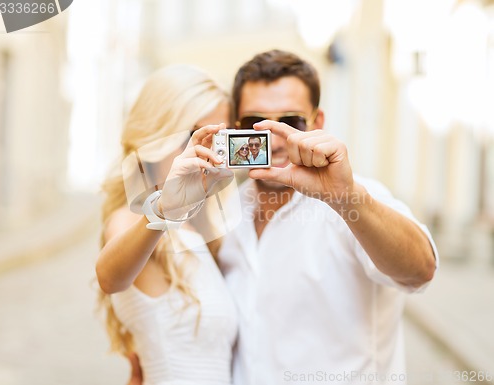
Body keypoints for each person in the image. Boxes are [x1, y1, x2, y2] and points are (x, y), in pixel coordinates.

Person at [126, 50, 438, 385]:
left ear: (317, 124)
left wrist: (345, 196)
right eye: (254, 123)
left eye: (290, 123)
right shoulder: (223, 212)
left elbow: (419, 270)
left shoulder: (359, 201)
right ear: (234, 129)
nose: (273, 139)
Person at [95, 64, 238, 385]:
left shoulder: (197, 229)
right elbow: (109, 277)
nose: (206, 152)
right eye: (193, 135)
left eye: (219, 138)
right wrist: (162, 210)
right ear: (154, 135)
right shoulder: (134, 221)